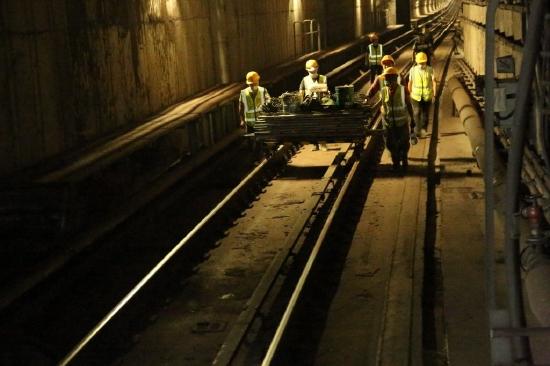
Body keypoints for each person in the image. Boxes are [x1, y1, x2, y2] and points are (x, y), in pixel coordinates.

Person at [379, 67, 416, 172]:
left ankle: (404, 161)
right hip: (389, 125)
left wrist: (412, 118)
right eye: (385, 79)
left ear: (394, 79)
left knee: (404, 144)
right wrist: (384, 120)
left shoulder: (402, 89)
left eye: (388, 79)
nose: (386, 81)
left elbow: (408, 104)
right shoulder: (383, 91)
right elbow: (383, 107)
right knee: (391, 144)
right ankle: (395, 163)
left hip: (402, 123)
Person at [239, 71, 271, 160]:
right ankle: (255, 157)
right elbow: (240, 107)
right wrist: (242, 120)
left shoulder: (263, 90)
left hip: (261, 120)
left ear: (258, 82)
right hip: (249, 122)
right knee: (251, 142)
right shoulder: (243, 93)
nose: (252, 86)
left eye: (254, 84)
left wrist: (267, 104)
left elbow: (269, 101)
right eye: (251, 84)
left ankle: (257, 158)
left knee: (259, 140)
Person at [299, 59, 329, 151]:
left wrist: (316, 89)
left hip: (320, 104)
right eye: (311, 71)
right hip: (309, 105)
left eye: (314, 70)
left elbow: (324, 89)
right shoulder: (304, 80)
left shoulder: (323, 78)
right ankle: (315, 144)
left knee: (321, 124)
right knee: (311, 125)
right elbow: (301, 92)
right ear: (307, 70)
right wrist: (301, 103)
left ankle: (322, 144)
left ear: (317, 68)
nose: (313, 72)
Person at [407, 52, 436, 138]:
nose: (421, 65)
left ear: (426, 62)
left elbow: (434, 82)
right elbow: (410, 82)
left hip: (427, 96)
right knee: (416, 112)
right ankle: (418, 130)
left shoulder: (430, 70)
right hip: (415, 96)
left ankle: (424, 129)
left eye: (423, 63)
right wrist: (409, 93)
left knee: (425, 114)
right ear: (416, 62)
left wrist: (434, 95)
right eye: (420, 63)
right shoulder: (412, 70)